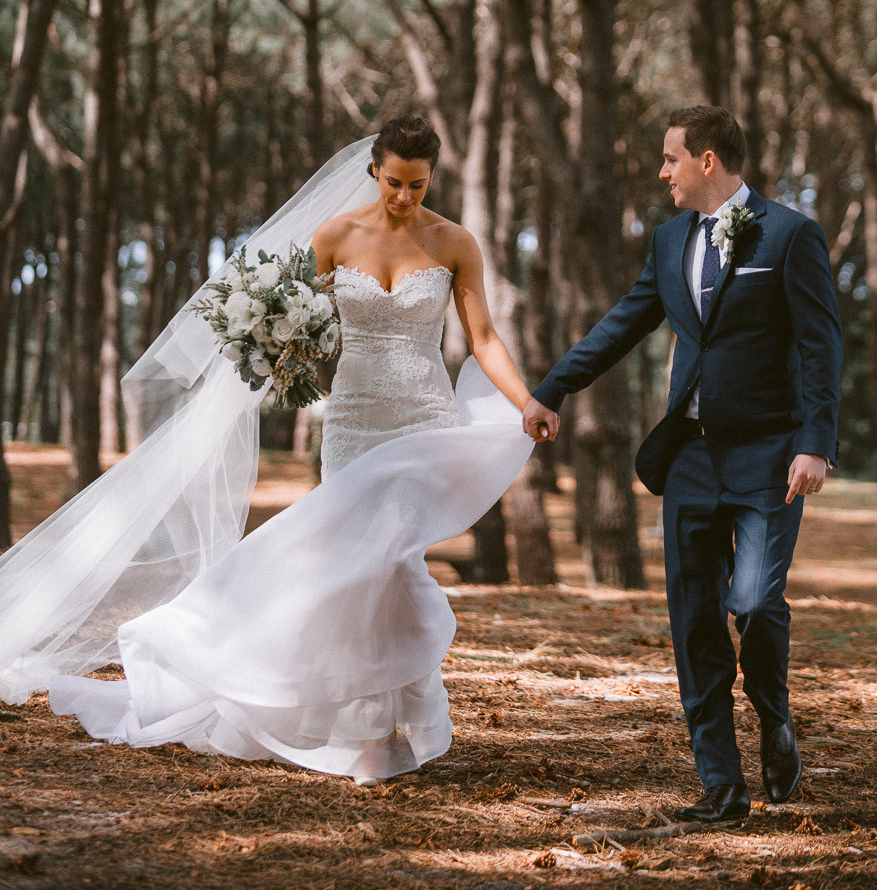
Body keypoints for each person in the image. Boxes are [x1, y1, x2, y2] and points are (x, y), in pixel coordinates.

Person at [0, 117, 549, 784]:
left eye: (419, 184)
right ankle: (367, 734)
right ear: (375, 169)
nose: (404, 196)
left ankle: (384, 726)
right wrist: (287, 357)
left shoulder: (454, 242)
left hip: (421, 422)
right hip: (351, 422)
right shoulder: (335, 236)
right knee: (358, 571)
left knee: (394, 567)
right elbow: (300, 328)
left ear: (433, 177)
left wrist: (525, 400)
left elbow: (484, 337)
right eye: (395, 182)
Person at [523, 106, 841, 823]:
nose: (661, 172)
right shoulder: (669, 242)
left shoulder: (790, 235)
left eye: (670, 159)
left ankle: (775, 716)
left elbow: (822, 346)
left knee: (754, 603)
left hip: (769, 455)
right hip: (690, 457)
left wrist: (816, 442)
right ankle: (722, 786)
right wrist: (555, 386)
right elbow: (627, 320)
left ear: (707, 161)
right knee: (696, 620)